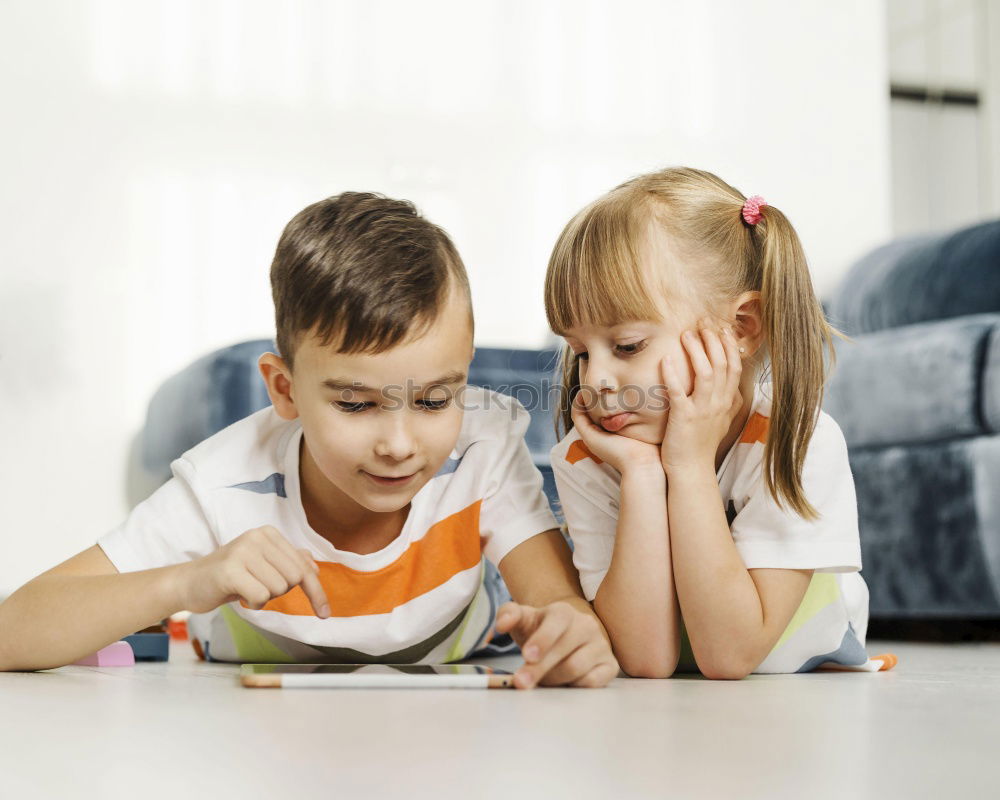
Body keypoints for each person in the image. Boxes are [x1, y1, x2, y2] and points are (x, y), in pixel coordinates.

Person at [0, 192, 618, 688]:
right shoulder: (223, 483)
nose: (400, 444)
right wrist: (188, 583)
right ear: (284, 388)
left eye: (435, 400)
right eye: (356, 403)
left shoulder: (483, 444)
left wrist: (570, 632)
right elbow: (11, 630)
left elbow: (561, 606)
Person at [544, 167, 897, 679]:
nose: (594, 378)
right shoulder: (588, 458)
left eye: (627, 346)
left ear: (740, 329)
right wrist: (643, 476)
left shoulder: (798, 443)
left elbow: (730, 656)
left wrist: (686, 467)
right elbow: (644, 660)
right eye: (579, 351)